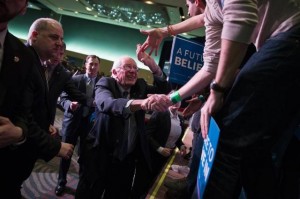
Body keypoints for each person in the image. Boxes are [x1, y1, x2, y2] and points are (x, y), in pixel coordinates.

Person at [143, 1, 300, 198]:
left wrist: (217, 90)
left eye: (187, 4)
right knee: (254, 148)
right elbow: (210, 66)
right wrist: (171, 97)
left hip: (291, 36)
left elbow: (241, 17)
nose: (187, 9)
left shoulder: (218, 9)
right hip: (284, 43)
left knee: (223, 134)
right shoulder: (214, 14)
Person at [75, 47, 170, 199]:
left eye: (135, 68)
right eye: (127, 67)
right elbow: (106, 104)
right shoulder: (105, 83)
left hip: (126, 159)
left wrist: (152, 65)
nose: (133, 71)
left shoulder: (140, 85)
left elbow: (165, 89)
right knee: (89, 193)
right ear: (114, 72)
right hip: (100, 155)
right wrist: (141, 103)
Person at [0, 2, 73, 198]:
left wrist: (43, 125)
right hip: (12, 152)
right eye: (54, 37)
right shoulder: (24, 60)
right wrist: (56, 146)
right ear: (34, 36)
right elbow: (21, 113)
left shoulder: (33, 60)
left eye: (61, 39)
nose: (59, 43)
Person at [55, 55, 101, 196]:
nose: (93, 67)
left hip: (91, 125)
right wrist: (69, 104)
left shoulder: (102, 83)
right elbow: (62, 98)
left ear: (99, 66)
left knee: (86, 156)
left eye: (96, 64)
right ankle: (61, 182)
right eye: (90, 64)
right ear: (85, 65)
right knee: (66, 154)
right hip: (72, 122)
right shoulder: (74, 79)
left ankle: (82, 183)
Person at [132, 95, 187, 198]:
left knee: (153, 182)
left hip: (165, 156)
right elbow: (147, 134)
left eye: (178, 101)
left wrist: (181, 146)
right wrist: (159, 148)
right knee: (142, 182)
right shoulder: (160, 113)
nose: (176, 103)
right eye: (173, 100)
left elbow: (177, 138)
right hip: (151, 155)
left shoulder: (180, 118)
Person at [44, 42, 88, 136]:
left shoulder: (64, 74)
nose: (57, 56)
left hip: (47, 119)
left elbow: (75, 94)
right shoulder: (36, 65)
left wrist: (95, 102)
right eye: (55, 52)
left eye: (61, 54)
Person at [138, 0, 206, 56]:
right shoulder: (212, 27)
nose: (188, 13)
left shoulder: (214, 9)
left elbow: (201, 19)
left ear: (197, 2)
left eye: (188, 6)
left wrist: (164, 31)